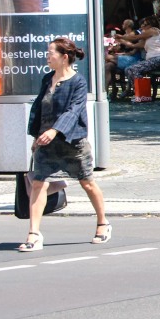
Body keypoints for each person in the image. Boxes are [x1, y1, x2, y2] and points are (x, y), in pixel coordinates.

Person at [20, 37, 110, 252]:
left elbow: (74, 110)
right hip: (46, 142)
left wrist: (55, 131)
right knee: (38, 183)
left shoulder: (78, 82)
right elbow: (41, 110)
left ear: (65, 57)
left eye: (51, 53)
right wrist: (37, 136)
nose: (47, 56)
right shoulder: (47, 79)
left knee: (87, 182)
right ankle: (34, 234)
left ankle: (103, 223)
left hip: (73, 143)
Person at [124, 16, 160, 87]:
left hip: (158, 58)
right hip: (153, 59)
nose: (142, 25)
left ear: (150, 25)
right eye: (143, 24)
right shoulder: (150, 34)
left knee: (134, 69)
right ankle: (136, 91)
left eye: (145, 24)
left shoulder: (152, 30)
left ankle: (143, 93)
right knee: (128, 69)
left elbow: (135, 37)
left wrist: (121, 37)